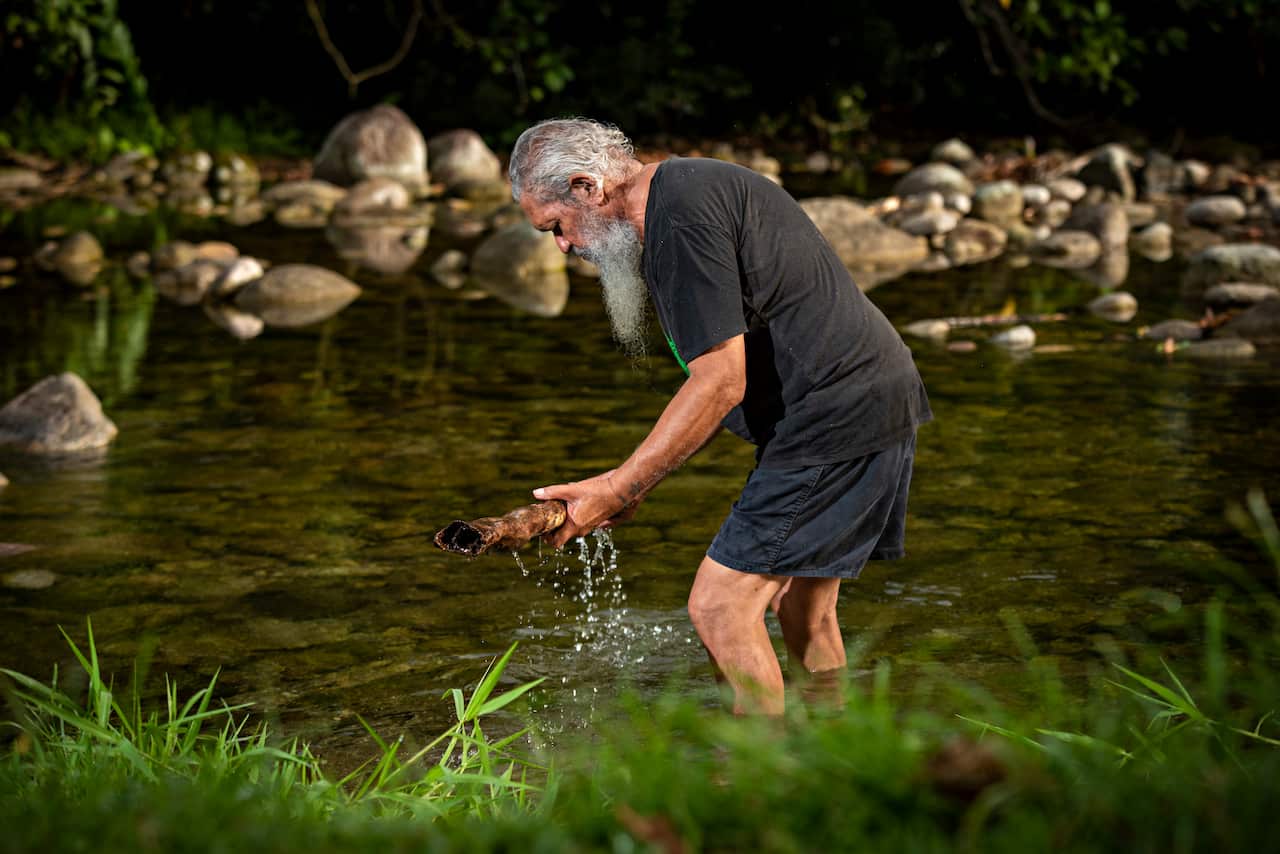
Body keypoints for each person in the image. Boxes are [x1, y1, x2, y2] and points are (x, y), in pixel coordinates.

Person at [509, 118, 932, 715]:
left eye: (555, 226)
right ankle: (842, 758)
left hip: (833, 416)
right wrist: (635, 486)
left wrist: (618, 485)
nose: (563, 247)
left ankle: (750, 785)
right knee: (803, 609)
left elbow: (720, 381)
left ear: (587, 188)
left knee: (720, 608)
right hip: (876, 396)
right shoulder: (688, 185)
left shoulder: (675, 220)